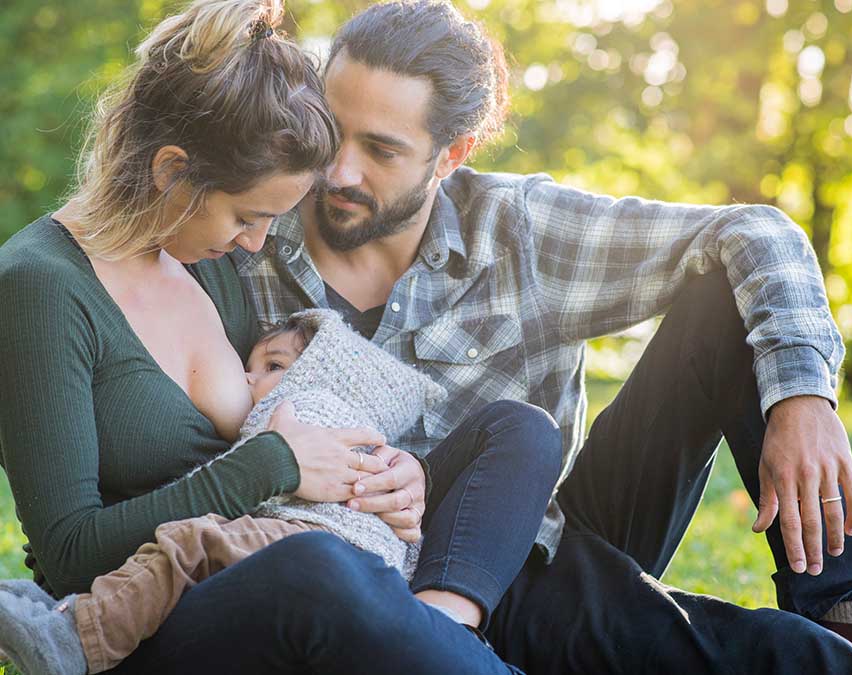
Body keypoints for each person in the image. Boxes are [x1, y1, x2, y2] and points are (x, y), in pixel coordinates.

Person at [225, 1, 852, 673]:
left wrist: (802, 398)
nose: (339, 171)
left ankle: (843, 617)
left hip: (533, 548)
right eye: (331, 131)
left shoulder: (518, 230)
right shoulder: (250, 233)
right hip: (364, 572)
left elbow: (756, 231)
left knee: (726, 292)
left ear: (451, 154)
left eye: (380, 149)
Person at [0, 1, 559, 673]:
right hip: (145, 621)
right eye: (248, 216)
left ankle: (436, 635)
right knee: (314, 569)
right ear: (173, 171)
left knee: (516, 429)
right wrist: (276, 466)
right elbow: (69, 554)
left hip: (281, 550)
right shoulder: (39, 287)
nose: (258, 243)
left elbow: (282, 416)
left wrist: (392, 476)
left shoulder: (205, 263)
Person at [0, 309, 562, 674]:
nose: (248, 380)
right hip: (332, 570)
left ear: (321, 376)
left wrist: (412, 474)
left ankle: (74, 638)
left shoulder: (299, 410)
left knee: (185, 544)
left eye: (271, 366)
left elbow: (284, 482)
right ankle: (444, 645)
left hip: (313, 542)